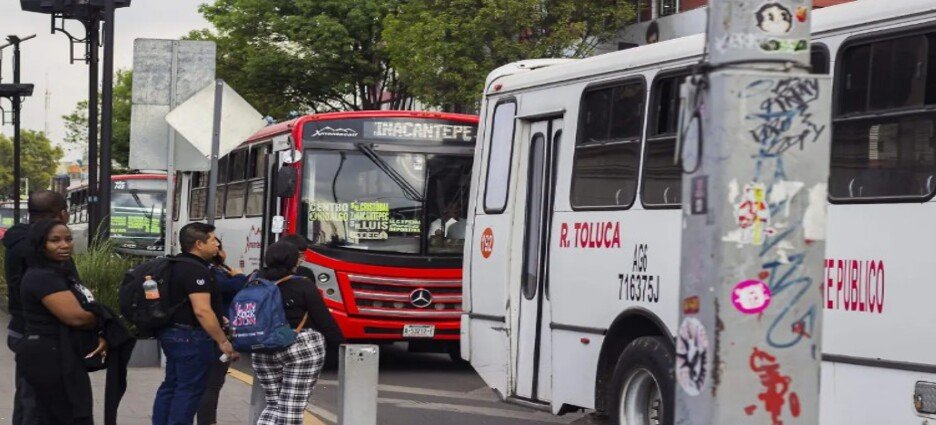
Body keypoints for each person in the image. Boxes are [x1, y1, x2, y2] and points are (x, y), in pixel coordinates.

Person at [16, 219, 105, 424]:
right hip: (48, 357)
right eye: (55, 240)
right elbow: (75, 317)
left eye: (68, 239)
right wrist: (101, 319)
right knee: (53, 414)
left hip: (63, 354)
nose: (65, 245)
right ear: (40, 244)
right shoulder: (41, 277)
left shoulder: (60, 272)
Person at [153, 222, 238, 425]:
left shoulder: (174, 264)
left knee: (171, 385)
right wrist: (222, 341)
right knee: (189, 389)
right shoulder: (196, 270)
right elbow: (201, 310)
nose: (217, 244)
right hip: (190, 337)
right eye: (212, 239)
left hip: (171, 333)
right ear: (199, 244)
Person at [251, 241, 343, 425]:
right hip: (299, 348)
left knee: (274, 404)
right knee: (291, 408)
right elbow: (324, 321)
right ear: (294, 262)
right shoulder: (303, 285)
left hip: (262, 347)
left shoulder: (254, 282)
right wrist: (343, 346)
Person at [3, 190, 70, 425]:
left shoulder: (17, 241)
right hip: (40, 333)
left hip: (20, 328)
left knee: (27, 397)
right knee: (39, 404)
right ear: (60, 214)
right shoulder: (40, 250)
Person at [196, 241, 248, 425]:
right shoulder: (211, 272)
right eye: (216, 246)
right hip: (213, 332)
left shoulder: (209, 269)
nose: (220, 250)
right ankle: (207, 421)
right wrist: (240, 277)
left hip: (203, 332)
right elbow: (229, 288)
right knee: (212, 384)